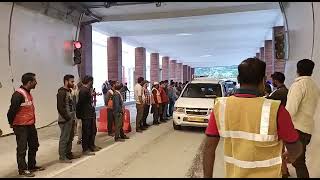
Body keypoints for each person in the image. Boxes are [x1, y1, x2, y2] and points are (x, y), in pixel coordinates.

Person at [202, 58, 303, 178]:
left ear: (238, 79)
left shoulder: (221, 107)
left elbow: (208, 148)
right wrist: (290, 156)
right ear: (263, 80)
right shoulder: (276, 109)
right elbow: (295, 147)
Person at [286, 59, 320, 178]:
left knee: (298, 162)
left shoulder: (298, 85)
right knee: (298, 160)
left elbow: (290, 110)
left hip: (297, 129)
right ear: (311, 71)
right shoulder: (314, 86)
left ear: (297, 70)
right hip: (308, 128)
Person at [7, 73, 45, 177]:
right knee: (22, 148)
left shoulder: (27, 93)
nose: (36, 83)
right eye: (34, 81)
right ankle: (22, 169)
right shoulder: (18, 95)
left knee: (34, 145)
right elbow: (11, 112)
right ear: (29, 82)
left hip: (30, 125)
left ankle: (32, 166)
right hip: (21, 126)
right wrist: (11, 123)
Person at [266, 72, 289, 177]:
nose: (272, 82)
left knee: (279, 149)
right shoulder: (285, 90)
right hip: (284, 123)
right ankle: (285, 170)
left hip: (278, 124)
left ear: (276, 80)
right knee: (281, 148)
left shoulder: (279, 92)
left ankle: (284, 172)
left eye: (273, 80)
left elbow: (267, 103)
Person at [57, 75, 79, 163]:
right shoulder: (61, 92)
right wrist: (67, 117)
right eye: (72, 81)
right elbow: (60, 107)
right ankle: (62, 157)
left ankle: (68, 153)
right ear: (66, 81)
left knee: (70, 137)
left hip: (71, 118)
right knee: (64, 138)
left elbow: (73, 103)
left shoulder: (69, 91)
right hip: (65, 120)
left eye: (73, 81)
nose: (73, 83)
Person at [77, 75, 101, 156]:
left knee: (92, 130)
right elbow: (80, 104)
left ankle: (91, 145)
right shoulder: (83, 91)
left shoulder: (87, 90)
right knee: (86, 132)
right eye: (92, 81)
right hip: (86, 115)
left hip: (90, 114)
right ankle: (85, 149)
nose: (92, 83)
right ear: (89, 81)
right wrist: (79, 115)